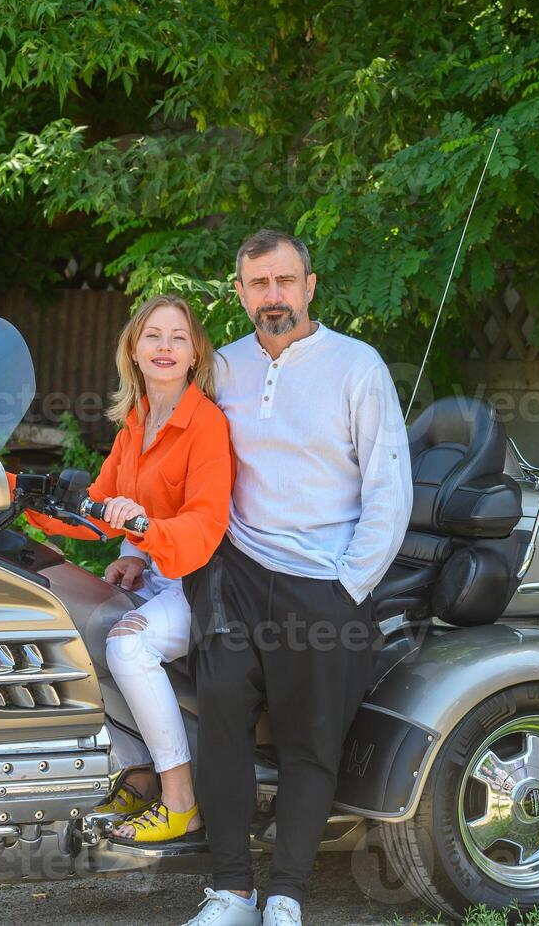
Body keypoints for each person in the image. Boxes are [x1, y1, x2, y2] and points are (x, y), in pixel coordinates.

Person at [179, 230, 412, 926]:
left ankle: (286, 895)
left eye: (284, 281)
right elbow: (183, 465)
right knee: (218, 709)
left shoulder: (356, 367)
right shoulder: (219, 368)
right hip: (239, 572)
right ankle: (229, 892)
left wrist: (349, 587)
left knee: (311, 738)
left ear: (309, 287)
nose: (271, 297)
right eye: (257, 284)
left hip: (326, 581)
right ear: (240, 292)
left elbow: (388, 488)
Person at [23, 293, 233, 844]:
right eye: (153, 337)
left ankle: (181, 800)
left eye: (178, 338)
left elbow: (205, 529)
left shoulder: (206, 425)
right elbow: (96, 506)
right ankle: (139, 774)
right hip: (162, 572)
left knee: (126, 646)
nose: (165, 347)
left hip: (210, 584)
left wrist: (142, 534)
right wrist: (25, 503)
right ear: (133, 351)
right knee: (80, 626)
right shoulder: (137, 424)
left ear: (195, 356)